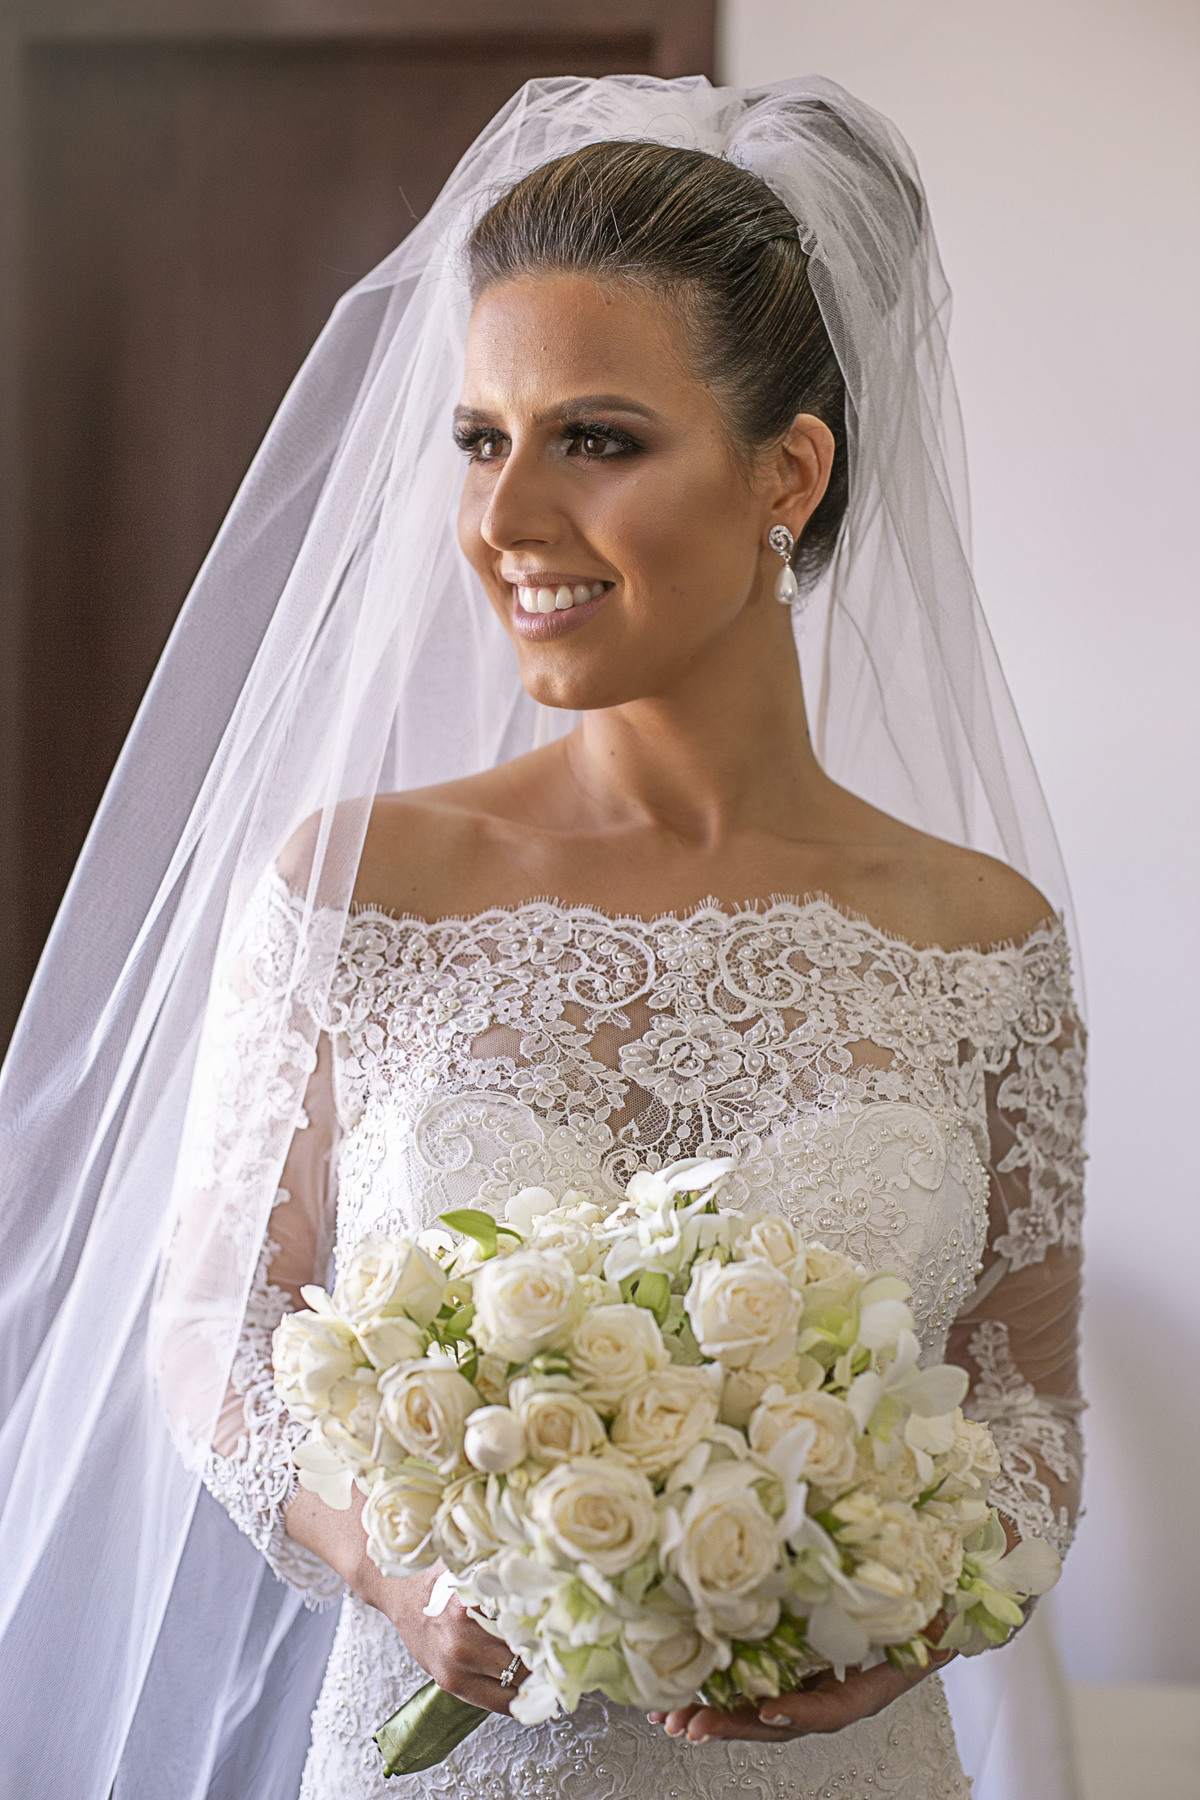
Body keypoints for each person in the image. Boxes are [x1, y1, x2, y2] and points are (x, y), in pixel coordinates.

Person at [0, 77, 1084, 1800]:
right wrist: (393, 1560)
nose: (504, 524)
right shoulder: (360, 887)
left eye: (597, 438)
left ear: (785, 471)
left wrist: (907, 1619)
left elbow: (1027, 1421)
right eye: (480, 440)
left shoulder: (982, 941)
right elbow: (212, 1322)